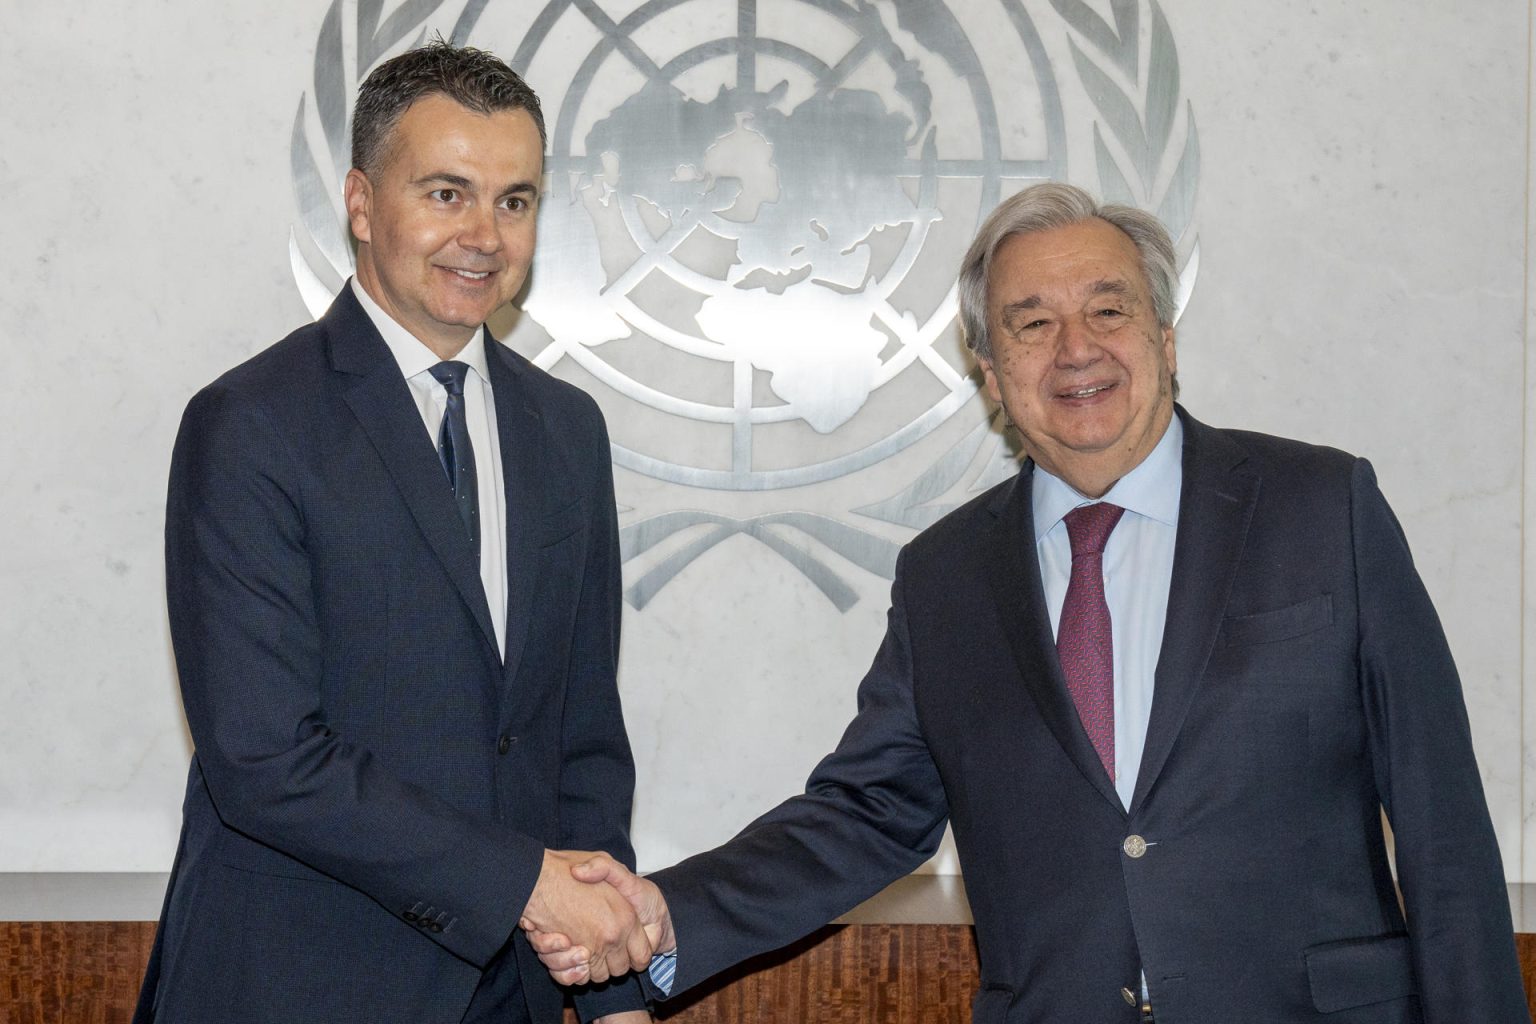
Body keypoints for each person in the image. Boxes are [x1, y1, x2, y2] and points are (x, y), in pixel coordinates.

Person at [528, 183, 1530, 1022]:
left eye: (1108, 307)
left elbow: (1442, 819)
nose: (1076, 347)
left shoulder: (1323, 507)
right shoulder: (946, 576)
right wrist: (661, 914)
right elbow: (867, 814)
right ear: (990, 372)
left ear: (1166, 336)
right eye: (1031, 322)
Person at [133, 42, 652, 1024]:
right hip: (298, 986)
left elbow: (581, 733)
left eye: (515, 200)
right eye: (447, 193)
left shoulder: (567, 431)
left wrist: (614, 986)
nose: (484, 235)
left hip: (518, 996)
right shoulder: (251, 423)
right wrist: (522, 884)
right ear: (363, 205)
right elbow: (265, 760)